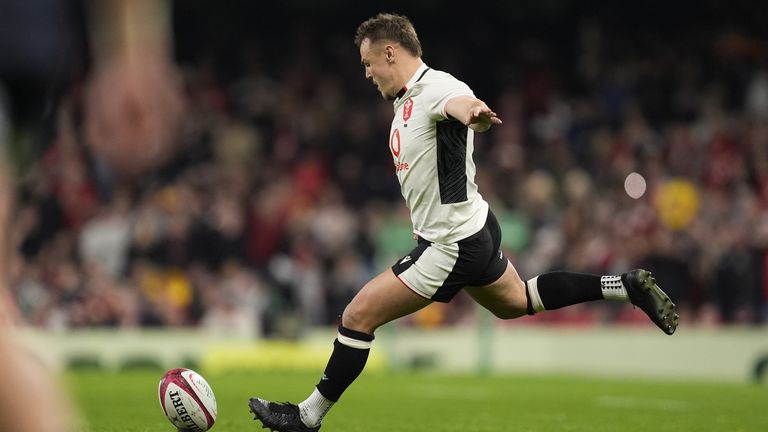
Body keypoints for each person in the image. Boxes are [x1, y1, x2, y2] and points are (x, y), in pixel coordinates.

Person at [248, 13, 678, 432]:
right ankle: (623, 286)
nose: (367, 73)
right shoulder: (407, 101)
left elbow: (460, 104)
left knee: (357, 315)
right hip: (473, 226)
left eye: (368, 62)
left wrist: (475, 113)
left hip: (450, 243)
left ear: (390, 52)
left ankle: (307, 416)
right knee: (518, 300)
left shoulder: (436, 88)